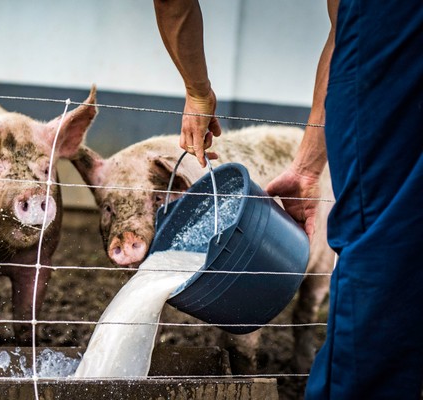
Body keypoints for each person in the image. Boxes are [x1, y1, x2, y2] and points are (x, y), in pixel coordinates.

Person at [153, 0, 423, 398]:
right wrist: (309, 167)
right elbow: (342, 32)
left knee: (379, 245)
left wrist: (197, 91)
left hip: (391, 35)